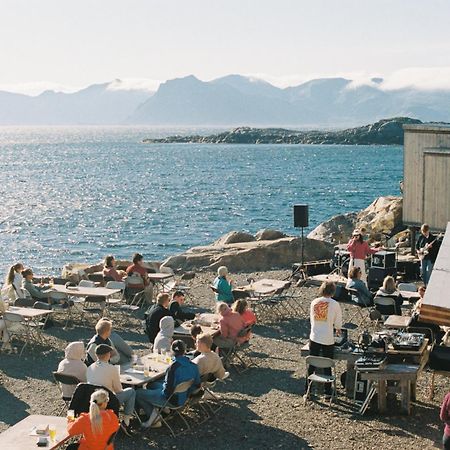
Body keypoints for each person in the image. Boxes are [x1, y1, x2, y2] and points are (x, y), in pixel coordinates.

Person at [136, 340, 201, 429]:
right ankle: (163, 410)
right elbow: (196, 385)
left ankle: (154, 416)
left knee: (138, 393)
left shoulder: (173, 368)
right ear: (184, 350)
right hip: (183, 397)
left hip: (171, 399)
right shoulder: (193, 365)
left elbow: (167, 392)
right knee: (152, 384)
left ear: (172, 351)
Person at [86, 344, 136, 436]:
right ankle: (126, 422)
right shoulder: (112, 369)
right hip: (108, 402)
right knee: (131, 392)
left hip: (93, 401)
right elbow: (118, 390)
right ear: (108, 354)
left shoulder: (89, 368)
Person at [308, 281, 342, 397]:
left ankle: (308, 390)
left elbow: (311, 320)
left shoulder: (314, 302)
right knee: (328, 365)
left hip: (314, 336)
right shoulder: (335, 304)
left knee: (312, 364)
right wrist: (338, 329)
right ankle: (328, 392)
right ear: (332, 291)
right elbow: (338, 323)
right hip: (327, 338)